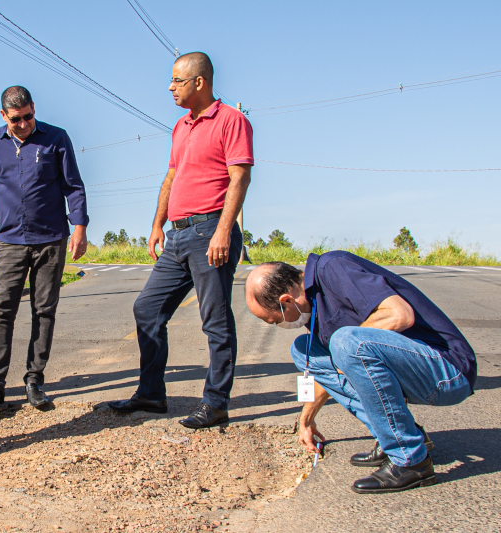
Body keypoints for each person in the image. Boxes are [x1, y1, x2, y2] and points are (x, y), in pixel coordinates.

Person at [244, 252, 476, 494]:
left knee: (344, 342)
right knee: (303, 350)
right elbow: (328, 369)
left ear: (287, 301)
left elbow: (399, 315)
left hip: (446, 370)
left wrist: (345, 350)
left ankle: (411, 460)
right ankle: (399, 435)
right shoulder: (313, 310)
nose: (279, 325)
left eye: (274, 320)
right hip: (414, 370)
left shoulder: (333, 268)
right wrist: (306, 419)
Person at [109, 52, 253, 429]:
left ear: (199, 82)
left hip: (210, 231)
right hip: (178, 234)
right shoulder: (181, 127)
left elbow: (239, 178)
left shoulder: (231, 121)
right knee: (147, 309)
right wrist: (158, 223)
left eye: (177, 80)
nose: (170, 87)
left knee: (215, 322)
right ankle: (152, 393)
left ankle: (216, 402)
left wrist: (224, 230)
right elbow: (171, 178)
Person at [0, 86, 89, 410]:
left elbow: (73, 187)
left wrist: (79, 227)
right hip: (9, 241)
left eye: (28, 117)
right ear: (3, 115)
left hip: (50, 239)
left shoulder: (56, 138)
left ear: (34, 109)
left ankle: (34, 380)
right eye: (16, 119)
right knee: (1, 311)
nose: (23, 124)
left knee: (43, 310)